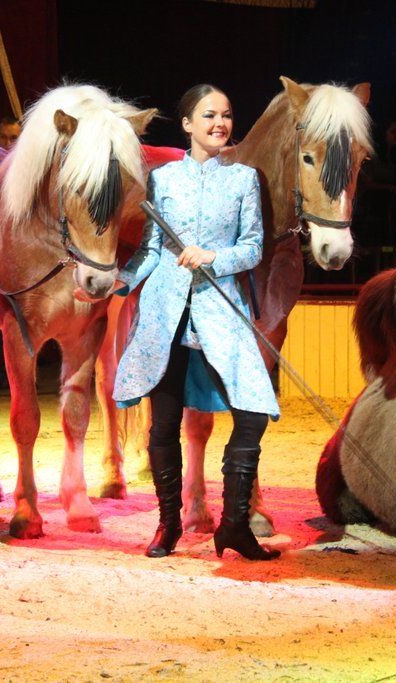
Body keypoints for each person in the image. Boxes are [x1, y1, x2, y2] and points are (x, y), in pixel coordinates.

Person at [112, 84, 280, 561]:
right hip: (166, 310)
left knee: (253, 413)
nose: (220, 123)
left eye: (226, 115)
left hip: (220, 309)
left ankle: (234, 526)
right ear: (187, 124)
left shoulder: (245, 179)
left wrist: (214, 257)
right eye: (209, 115)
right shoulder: (163, 179)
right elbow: (150, 250)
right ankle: (168, 525)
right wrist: (119, 283)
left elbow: (253, 248)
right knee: (164, 422)